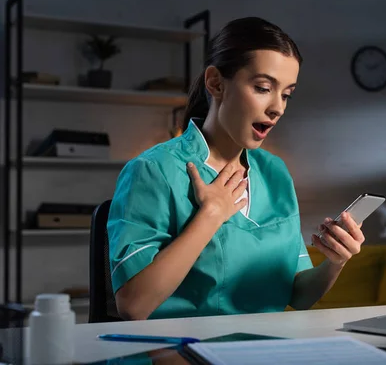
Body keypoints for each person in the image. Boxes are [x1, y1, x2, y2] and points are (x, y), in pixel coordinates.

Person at [107, 17, 366, 320]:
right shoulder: (153, 170)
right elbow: (133, 306)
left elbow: (299, 295)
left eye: (286, 94)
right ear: (216, 83)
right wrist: (210, 216)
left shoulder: (275, 173)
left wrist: (335, 261)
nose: (277, 108)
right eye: (263, 88)